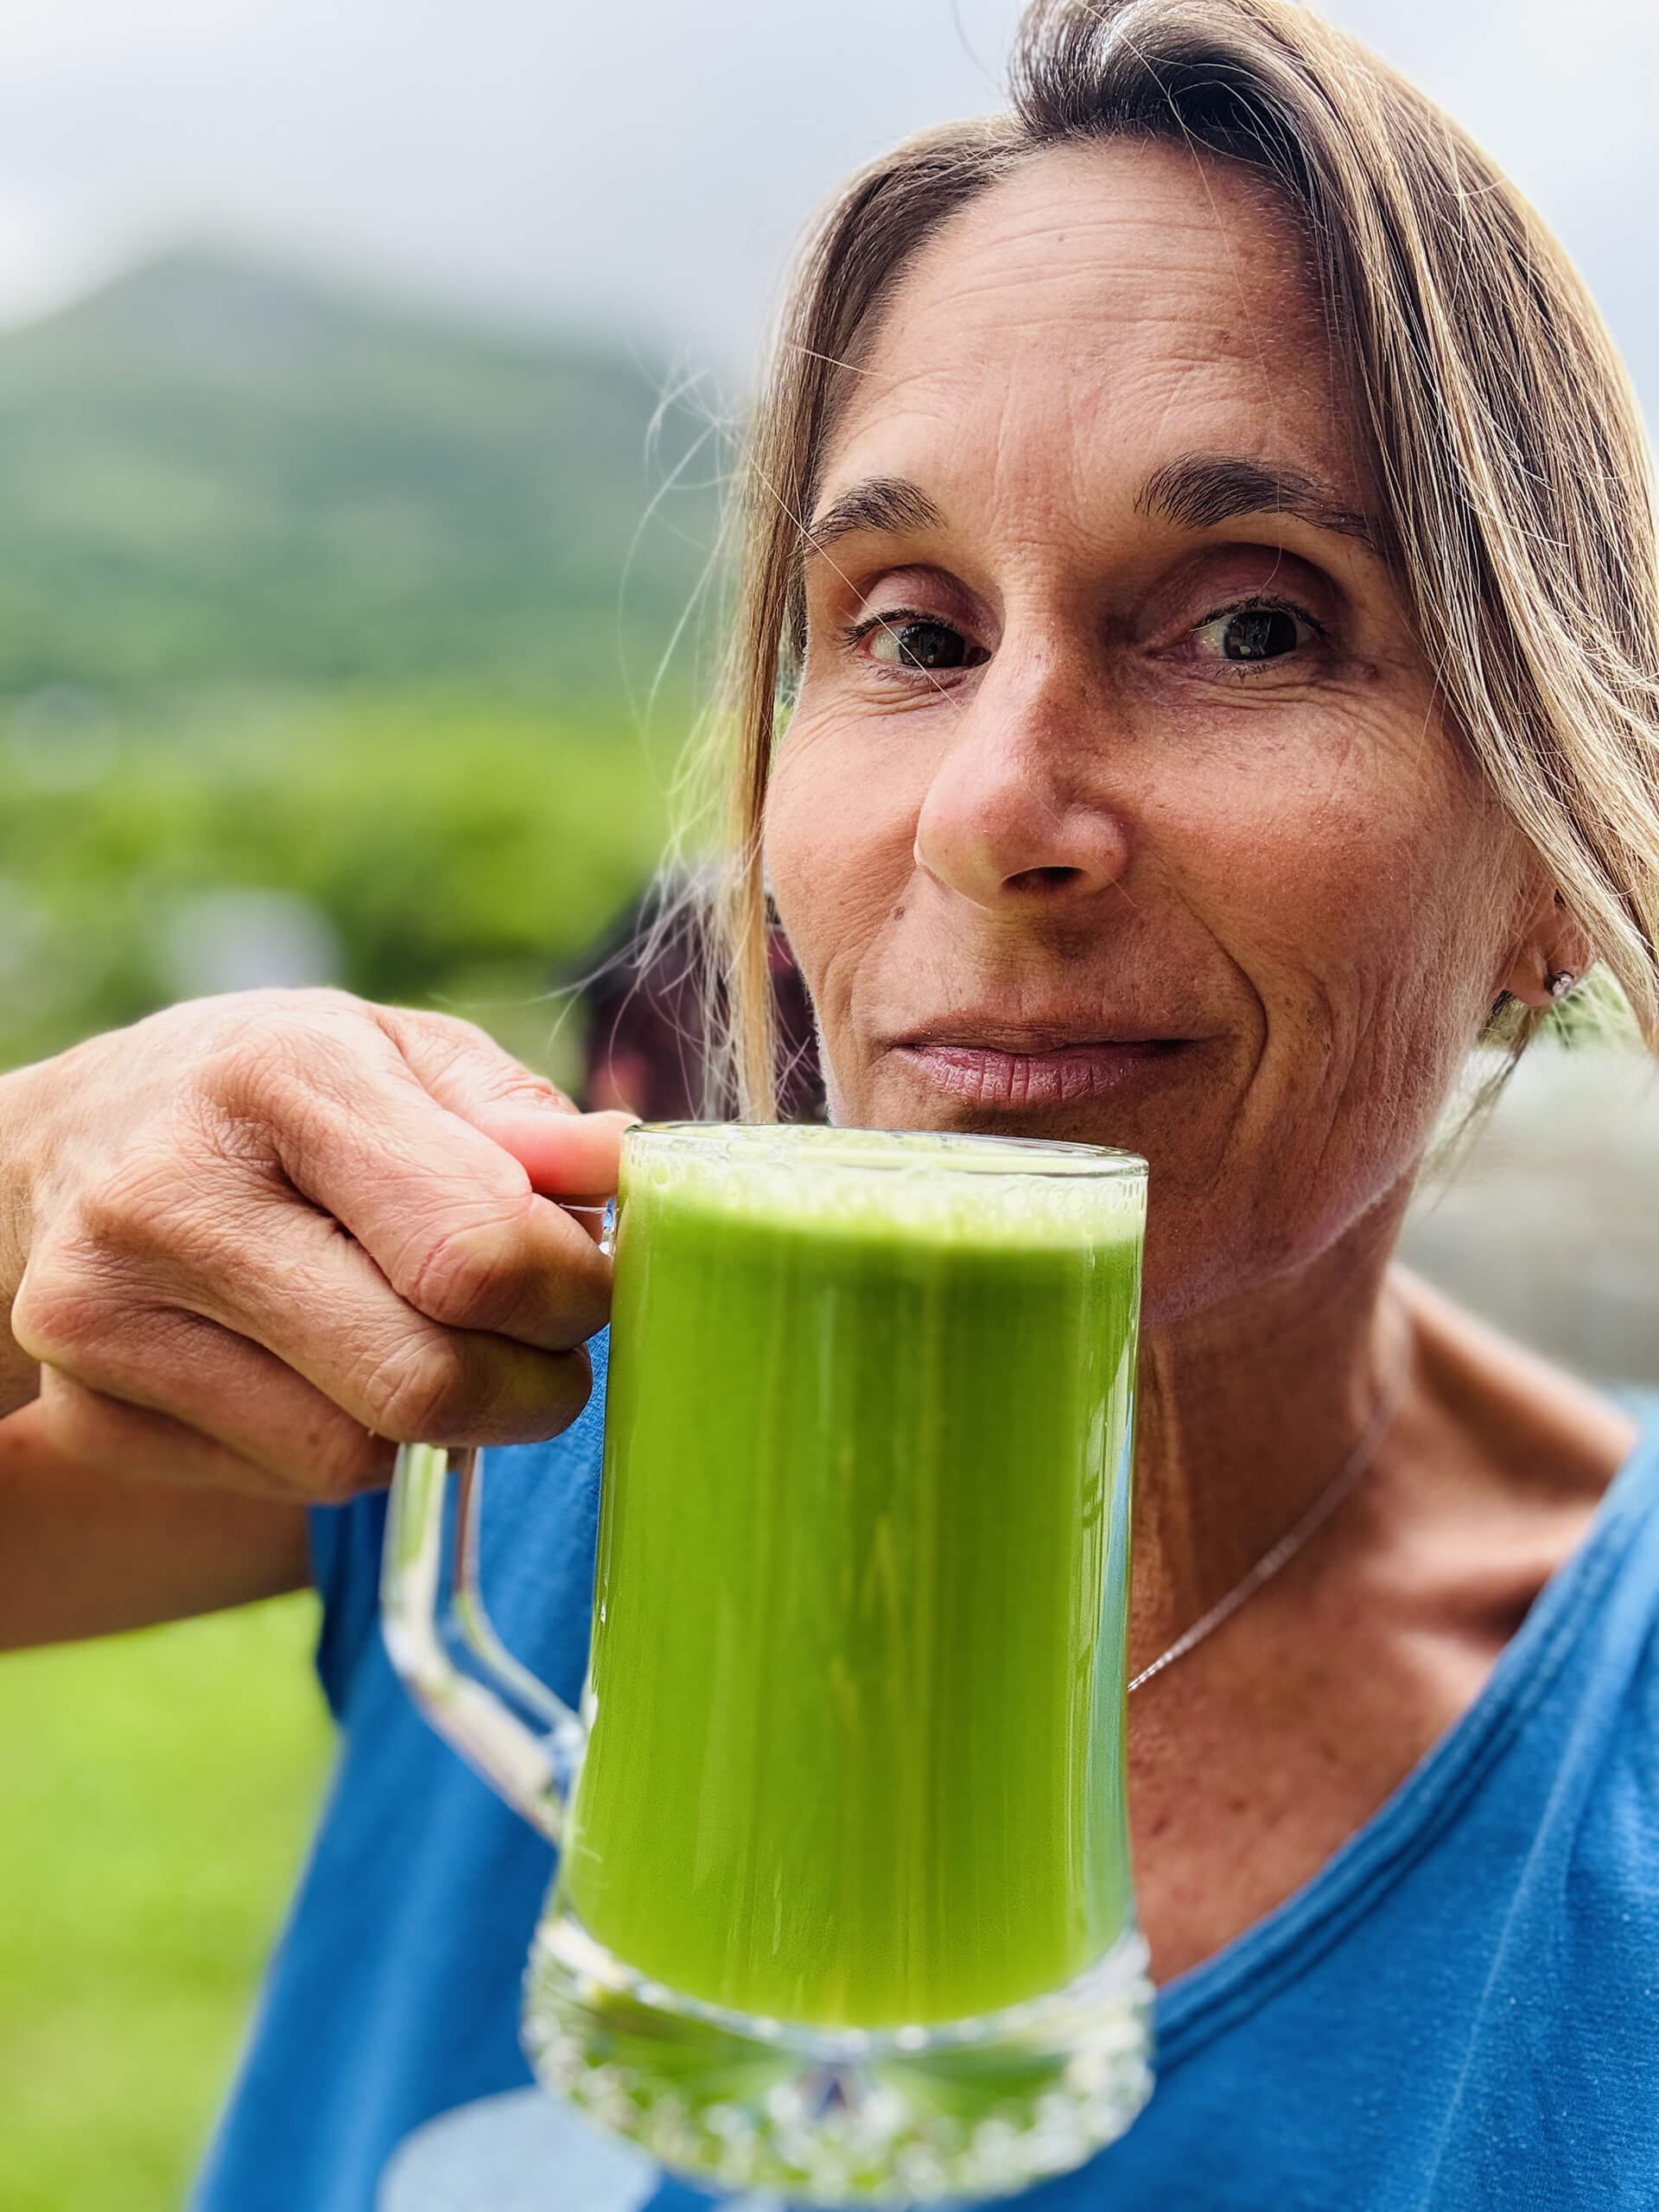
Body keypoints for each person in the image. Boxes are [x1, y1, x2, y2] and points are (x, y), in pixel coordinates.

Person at [2, 0, 1657, 2204]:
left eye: (1254, 626)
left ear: (1553, 855)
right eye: (907, 626)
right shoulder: (500, 1385)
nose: (994, 810)